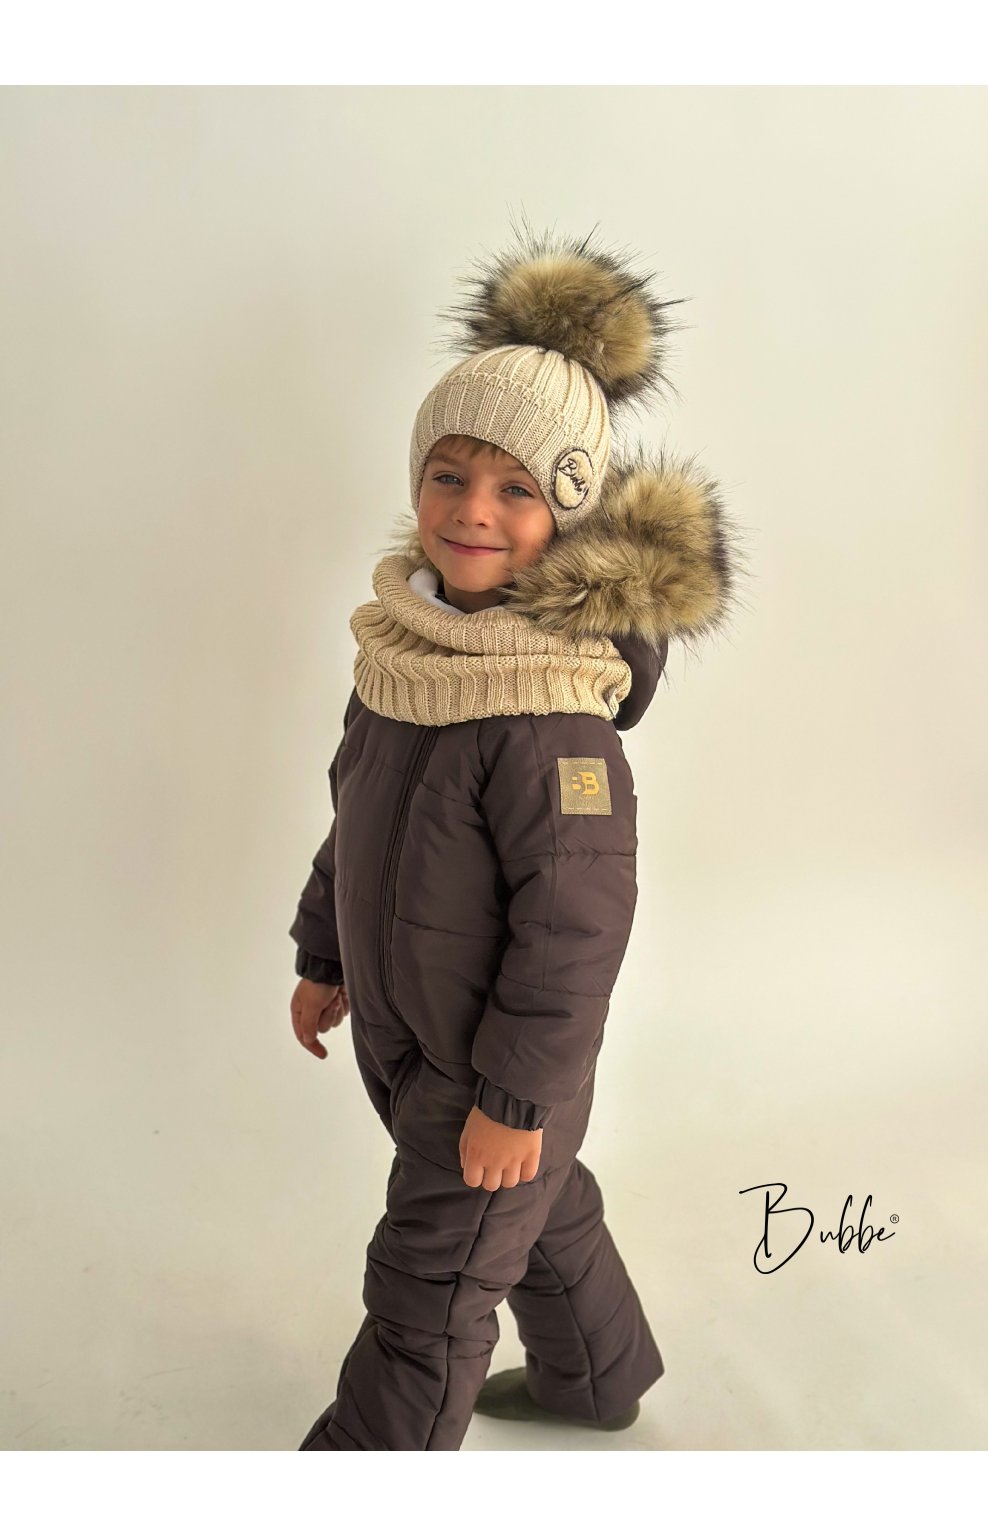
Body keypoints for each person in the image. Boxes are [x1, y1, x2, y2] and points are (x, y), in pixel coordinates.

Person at [287, 216, 743, 1451]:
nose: (472, 510)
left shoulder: (551, 718)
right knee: (541, 1213)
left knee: (427, 1295)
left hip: (490, 1072)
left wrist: (516, 1100)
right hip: (404, 1035)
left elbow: (575, 930)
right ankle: (596, 1377)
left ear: (570, 517)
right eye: (449, 474)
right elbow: (355, 812)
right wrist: (323, 950)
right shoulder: (407, 655)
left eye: (517, 489)